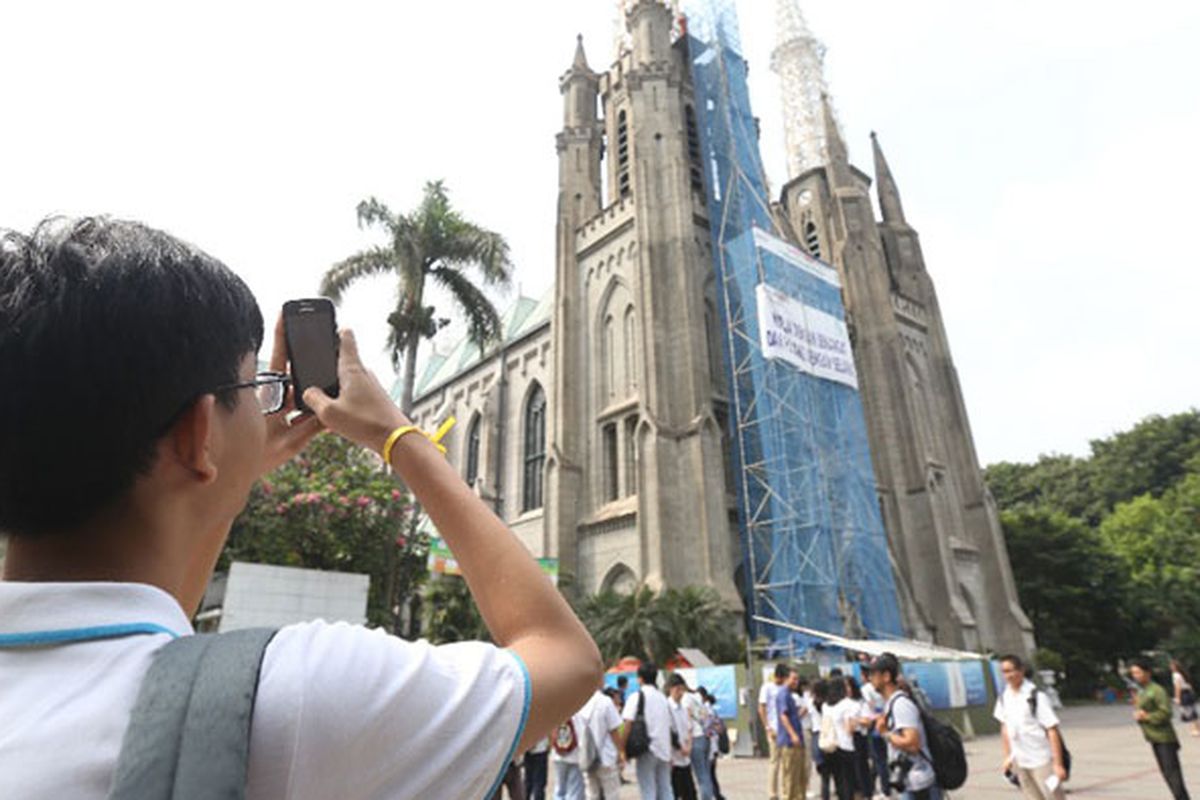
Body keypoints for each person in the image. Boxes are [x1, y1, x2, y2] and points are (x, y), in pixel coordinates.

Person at [0, 217, 604, 798]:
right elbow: (563, 657)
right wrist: (398, 437)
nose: (265, 401)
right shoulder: (293, 697)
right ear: (198, 431)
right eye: (252, 387)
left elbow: (159, 637)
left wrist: (217, 475)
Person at [993, 654, 1067, 800]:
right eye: (1004, 672)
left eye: (1010, 671)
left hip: (1042, 760)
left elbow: (1052, 729)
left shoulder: (1036, 696)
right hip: (1020, 760)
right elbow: (1005, 727)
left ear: (1021, 670)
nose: (1007, 675)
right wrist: (1008, 756)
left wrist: (1058, 764)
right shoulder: (1004, 698)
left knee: (1053, 797)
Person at [869, 654, 937, 800]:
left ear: (886, 676)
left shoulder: (901, 705)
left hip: (919, 783)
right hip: (909, 781)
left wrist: (885, 733)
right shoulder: (891, 704)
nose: (870, 678)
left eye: (873, 674)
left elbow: (912, 744)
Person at [1130, 658, 1191, 800]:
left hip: (1164, 738)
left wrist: (1146, 717)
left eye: (1138, 672)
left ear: (1147, 673)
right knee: (1167, 775)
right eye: (1133, 673)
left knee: (1173, 776)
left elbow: (1166, 713)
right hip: (1154, 738)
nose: (1135, 676)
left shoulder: (1157, 690)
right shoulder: (1143, 691)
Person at [622, 663, 674, 800]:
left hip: (646, 749)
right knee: (665, 788)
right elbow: (668, 725)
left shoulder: (636, 697)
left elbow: (627, 723)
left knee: (648, 790)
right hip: (664, 750)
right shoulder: (663, 698)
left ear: (640, 679)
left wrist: (622, 749)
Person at [584, 682, 625, 800]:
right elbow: (614, 731)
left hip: (587, 757)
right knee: (611, 794)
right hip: (606, 757)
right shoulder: (605, 702)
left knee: (592, 794)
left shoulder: (580, 702)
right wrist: (620, 752)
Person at [775, 668, 810, 800]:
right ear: (785, 678)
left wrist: (801, 712)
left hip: (797, 741)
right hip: (789, 742)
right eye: (793, 679)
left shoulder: (789, 695)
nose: (796, 681)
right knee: (790, 777)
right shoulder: (783, 694)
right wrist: (793, 734)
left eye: (797, 679)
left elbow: (792, 716)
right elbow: (783, 716)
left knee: (799, 777)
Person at [823, 677, 857, 800]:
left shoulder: (825, 705)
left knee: (838, 782)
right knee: (849, 783)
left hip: (830, 746)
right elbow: (850, 729)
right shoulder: (848, 704)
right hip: (846, 746)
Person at [760, 663, 790, 800]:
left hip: (785, 729)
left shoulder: (785, 689)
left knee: (786, 763)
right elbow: (761, 708)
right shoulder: (767, 687)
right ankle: (772, 793)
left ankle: (785, 792)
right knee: (775, 762)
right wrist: (767, 727)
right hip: (773, 729)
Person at [860, 667, 891, 798]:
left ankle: (885, 790)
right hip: (887, 721)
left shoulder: (866, 688)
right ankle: (883, 787)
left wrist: (875, 715)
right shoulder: (885, 687)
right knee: (884, 759)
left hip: (875, 725)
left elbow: (870, 704)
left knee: (879, 760)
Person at [667, 674, 697, 800]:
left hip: (685, 759)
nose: (680, 693)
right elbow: (669, 732)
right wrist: (680, 748)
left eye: (682, 689)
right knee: (674, 793)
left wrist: (689, 745)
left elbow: (689, 729)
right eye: (677, 689)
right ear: (670, 689)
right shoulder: (666, 707)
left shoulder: (684, 708)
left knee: (690, 794)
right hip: (673, 760)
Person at [1170, 659, 1200, 737]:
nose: (1170, 667)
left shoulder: (1176, 675)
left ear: (1175, 667)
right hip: (1188, 693)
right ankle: (1197, 728)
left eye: (1171, 666)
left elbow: (1178, 687)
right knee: (1191, 710)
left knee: (1188, 711)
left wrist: (1177, 698)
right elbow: (1189, 685)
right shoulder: (1182, 674)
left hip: (1183, 693)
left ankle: (1195, 729)